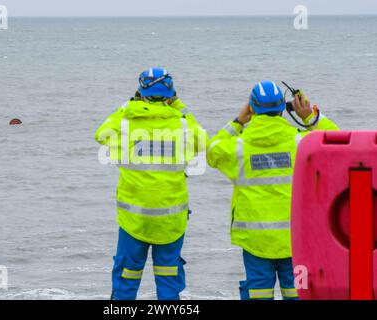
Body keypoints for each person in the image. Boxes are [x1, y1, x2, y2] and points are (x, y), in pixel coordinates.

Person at [207, 80, 339, 300]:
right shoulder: (301, 143)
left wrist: (238, 121)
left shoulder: (238, 148)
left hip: (256, 240)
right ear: (282, 108)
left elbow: (212, 150)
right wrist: (310, 117)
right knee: (297, 294)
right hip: (296, 240)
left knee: (259, 295)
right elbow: (336, 142)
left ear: (252, 108)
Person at [95, 67, 207, 300]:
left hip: (134, 219)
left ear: (140, 92)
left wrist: (128, 105)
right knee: (168, 278)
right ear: (170, 95)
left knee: (126, 278)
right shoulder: (183, 126)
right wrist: (180, 107)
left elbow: (102, 134)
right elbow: (204, 141)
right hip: (170, 219)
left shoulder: (125, 124)